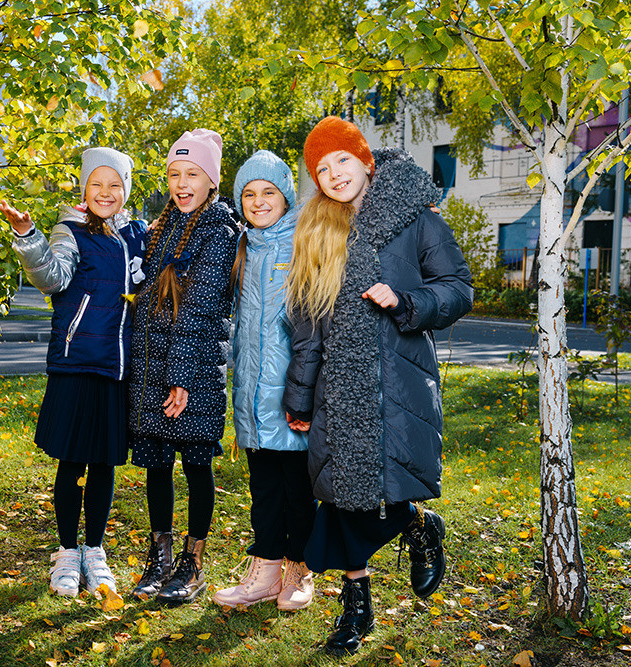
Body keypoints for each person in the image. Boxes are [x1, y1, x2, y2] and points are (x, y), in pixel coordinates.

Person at [283, 117, 473, 655]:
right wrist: (300, 396)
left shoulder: (416, 216)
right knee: (342, 498)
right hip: (337, 388)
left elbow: (458, 288)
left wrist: (408, 301)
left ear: (366, 160)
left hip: (397, 382)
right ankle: (357, 606)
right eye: (322, 168)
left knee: (380, 488)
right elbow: (307, 325)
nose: (334, 174)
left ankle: (415, 524)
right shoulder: (316, 229)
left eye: (342, 159)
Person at [0, 147, 146, 600]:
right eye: (96, 184)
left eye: (115, 185)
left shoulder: (137, 233)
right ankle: (66, 551)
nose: (106, 192)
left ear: (126, 190)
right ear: (84, 188)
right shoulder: (71, 230)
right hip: (77, 361)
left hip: (117, 368)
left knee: (104, 463)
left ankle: (94, 550)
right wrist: (28, 236)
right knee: (72, 462)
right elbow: (53, 277)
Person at [127, 128, 238, 604]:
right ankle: (160, 557)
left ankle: (193, 563)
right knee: (156, 464)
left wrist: (180, 378)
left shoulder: (219, 231)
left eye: (193, 174)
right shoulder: (163, 227)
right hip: (152, 369)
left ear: (212, 180)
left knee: (195, 465)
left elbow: (198, 310)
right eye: (175, 174)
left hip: (193, 372)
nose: (182, 183)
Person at [212, 150, 317, 611]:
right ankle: (266, 569)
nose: (258, 202)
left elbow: (314, 324)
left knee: (298, 490)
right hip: (252, 395)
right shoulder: (242, 247)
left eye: (268, 192)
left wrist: (304, 393)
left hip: (293, 395)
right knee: (264, 490)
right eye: (249, 194)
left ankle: (300, 569)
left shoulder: (303, 243)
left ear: (286, 197)